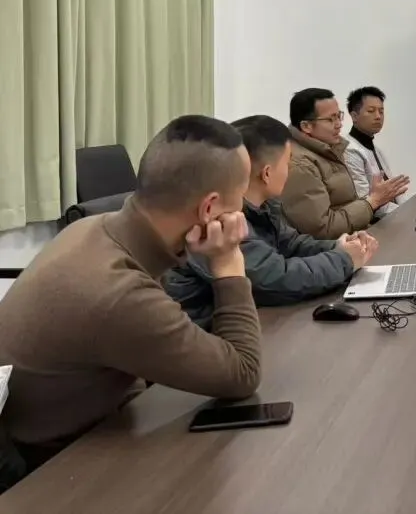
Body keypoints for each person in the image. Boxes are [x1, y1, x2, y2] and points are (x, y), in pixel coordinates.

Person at [0, 116, 261, 482]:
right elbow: (243, 373)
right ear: (210, 209)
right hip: (51, 475)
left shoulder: (93, 228)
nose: (243, 211)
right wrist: (229, 263)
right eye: (241, 197)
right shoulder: (118, 292)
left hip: (86, 425)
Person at [165, 115, 381, 328]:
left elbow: (292, 244)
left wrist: (341, 246)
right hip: (203, 335)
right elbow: (277, 280)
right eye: (288, 162)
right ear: (267, 173)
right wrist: (344, 260)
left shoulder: (264, 207)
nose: (291, 169)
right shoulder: (220, 218)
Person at [279, 88, 408, 238]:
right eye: (330, 119)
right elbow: (322, 229)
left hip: (356, 236)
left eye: (339, 116)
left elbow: (347, 204)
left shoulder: (330, 150)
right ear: (306, 126)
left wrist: (372, 199)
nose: (339, 124)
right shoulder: (301, 165)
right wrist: (372, 201)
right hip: (338, 246)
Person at [344, 86, 409, 219]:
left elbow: (392, 192)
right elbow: (365, 202)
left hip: (392, 216)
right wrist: (407, 214)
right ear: (354, 116)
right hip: (375, 223)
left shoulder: (374, 148)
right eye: (371, 111)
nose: (378, 116)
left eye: (381, 111)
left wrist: (409, 209)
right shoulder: (350, 151)